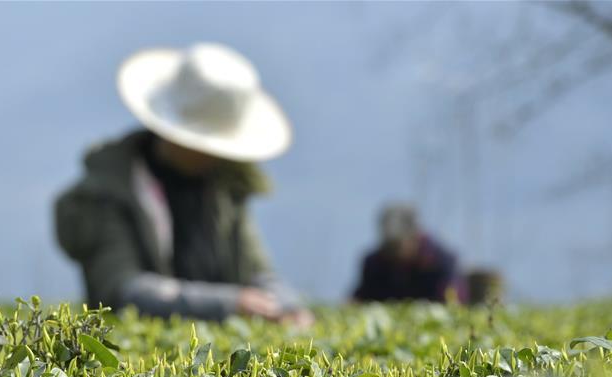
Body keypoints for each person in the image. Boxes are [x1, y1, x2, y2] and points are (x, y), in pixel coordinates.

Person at [54, 43, 312, 325]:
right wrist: (229, 303)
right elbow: (120, 289)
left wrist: (285, 304)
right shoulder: (109, 191)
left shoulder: (225, 188)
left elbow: (257, 270)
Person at [353, 204, 465, 303]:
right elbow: (360, 299)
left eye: (396, 245)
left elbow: (453, 303)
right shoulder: (374, 263)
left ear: (415, 237)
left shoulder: (441, 262)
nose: (392, 252)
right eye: (388, 245)